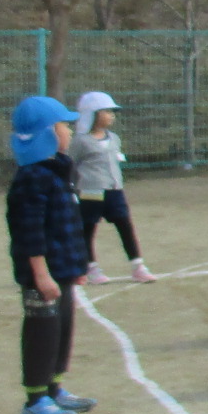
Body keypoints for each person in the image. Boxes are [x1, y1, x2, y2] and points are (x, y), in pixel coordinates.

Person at [7, 96, 92, 414]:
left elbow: (69, 225)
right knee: (43, 331)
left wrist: (78, 267)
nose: (69, 131)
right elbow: (29, 232)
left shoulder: (57, 171)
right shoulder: (32, 177)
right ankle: (35, 400)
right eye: (63, 126)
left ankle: (55, 388)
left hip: (64, 269)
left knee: (63, 328)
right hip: (44, 274)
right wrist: (41, 275)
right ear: (45, 133)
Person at [70, 91, 154, 283]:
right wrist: (72, 190)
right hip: (91, 191)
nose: (111, 115)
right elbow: (71, 165)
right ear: (93, 114)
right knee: (88, 228)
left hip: (115, 189)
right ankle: (91, 267)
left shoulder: (114, 138)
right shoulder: (80, 141)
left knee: (124, 224)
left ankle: (137, 265)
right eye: (106, 111)